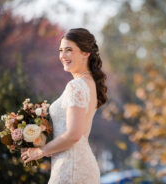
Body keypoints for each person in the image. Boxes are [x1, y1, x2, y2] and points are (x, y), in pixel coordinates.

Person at [21, 28, 108, 183]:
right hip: (80, 165)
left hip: (71, 167)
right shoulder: (90, 84)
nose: (63, 56)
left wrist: (40, 151)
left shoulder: (76, 86)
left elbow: (73, 135)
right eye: (61, 50)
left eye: (69, 50)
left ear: (86, 53)